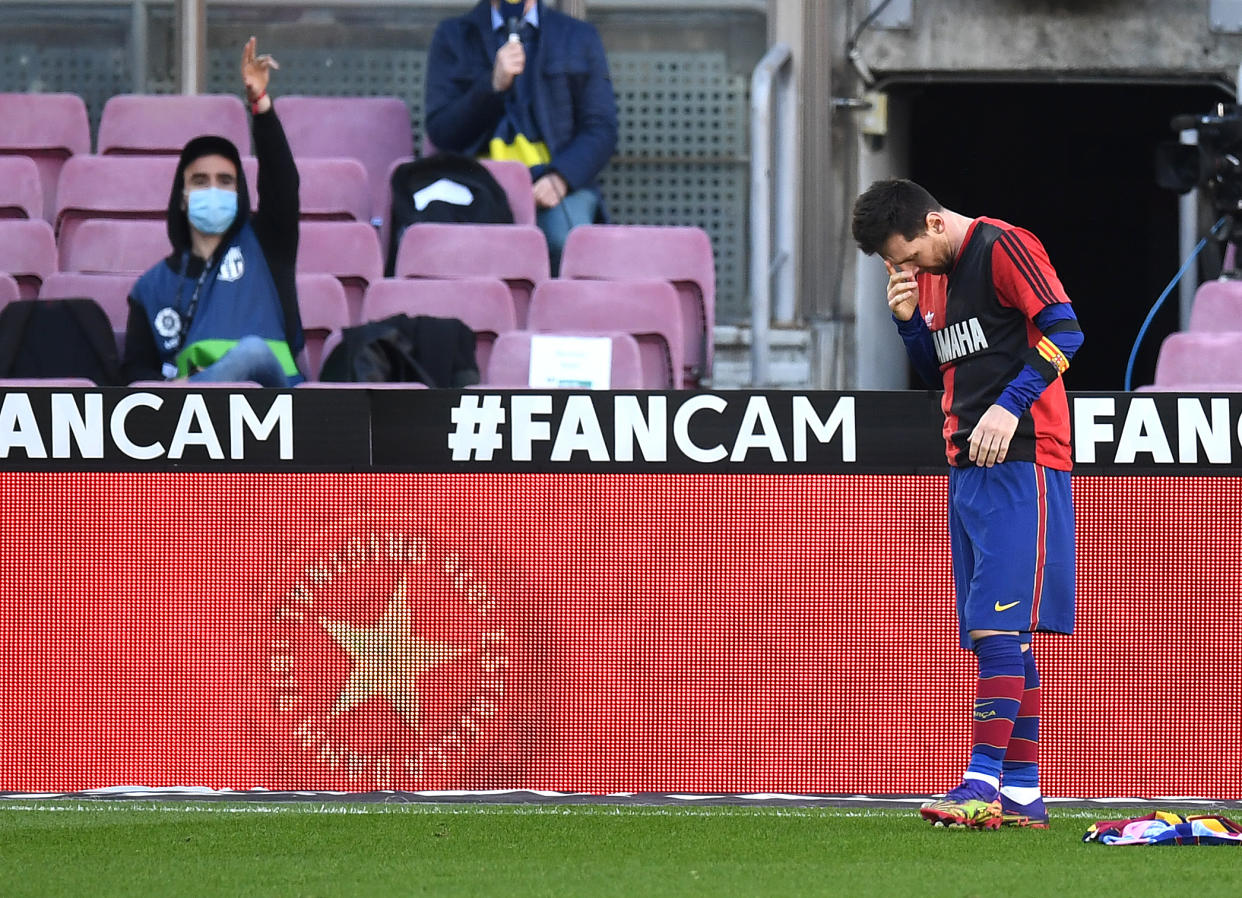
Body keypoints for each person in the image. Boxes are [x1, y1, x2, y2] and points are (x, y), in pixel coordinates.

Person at [851, 178, 1085, 830]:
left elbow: (1066, 332)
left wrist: (1010, 409)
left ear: (933, 222)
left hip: (1023, 456)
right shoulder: (929, 280)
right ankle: (1022, 795)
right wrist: (905, 328)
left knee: (995, 629)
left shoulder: (1003, 245)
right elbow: (944, 370)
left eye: (908, 257)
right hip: (967, 466)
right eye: (894, 266)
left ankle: (979, 783)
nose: (905, 271)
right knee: (1003, 638)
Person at [122, 37, 304, 387]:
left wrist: (260, 105)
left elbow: (283, 184)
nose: (213, 190)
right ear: (182, 196)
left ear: (239, 192)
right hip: (198, 422)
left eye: (225, 181)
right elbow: (134, 373)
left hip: (280, 405)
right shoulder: (152, 287)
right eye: (201, 181)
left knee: (253, 352)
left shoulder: (267, 244)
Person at [424, 0, 618, 274]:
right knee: (447, 249)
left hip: (553, 183)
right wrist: (491, 86)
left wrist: (561, 178)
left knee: (564, 241)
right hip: (478, 184)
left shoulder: (578, 37)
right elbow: (442, 131)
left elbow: (601, 128)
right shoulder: (454, 36)